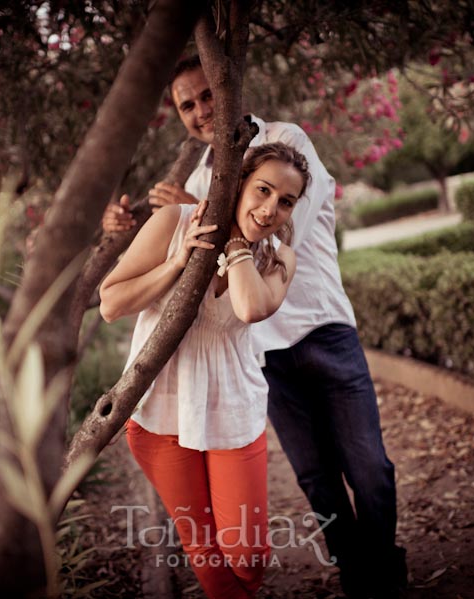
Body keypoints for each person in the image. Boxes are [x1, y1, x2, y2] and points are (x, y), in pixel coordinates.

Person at [102, 55, 405, 599]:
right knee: (314, 477)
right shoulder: (203, 178)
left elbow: (277, 228)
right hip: (260, 351)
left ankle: (381, 571)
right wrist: (140, 227)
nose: (200, 112)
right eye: (186, 105)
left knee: (369, 468)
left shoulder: (286, 141)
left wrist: (198, 210)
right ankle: (355, 574)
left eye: (207, 96)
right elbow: (189, 247)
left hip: (320, 328)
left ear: (229, 89)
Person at [100, 142, 311, 599]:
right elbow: (110, 303)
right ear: (237, 183)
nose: (270, 207)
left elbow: (250, 306)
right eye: (262, 190)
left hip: (233, 410)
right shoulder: (175, 223)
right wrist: (177, 263)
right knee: (204, 548)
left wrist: (235, 242)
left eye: (286, 201)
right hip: (161, 410)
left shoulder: (280, 260)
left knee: (248, 555)